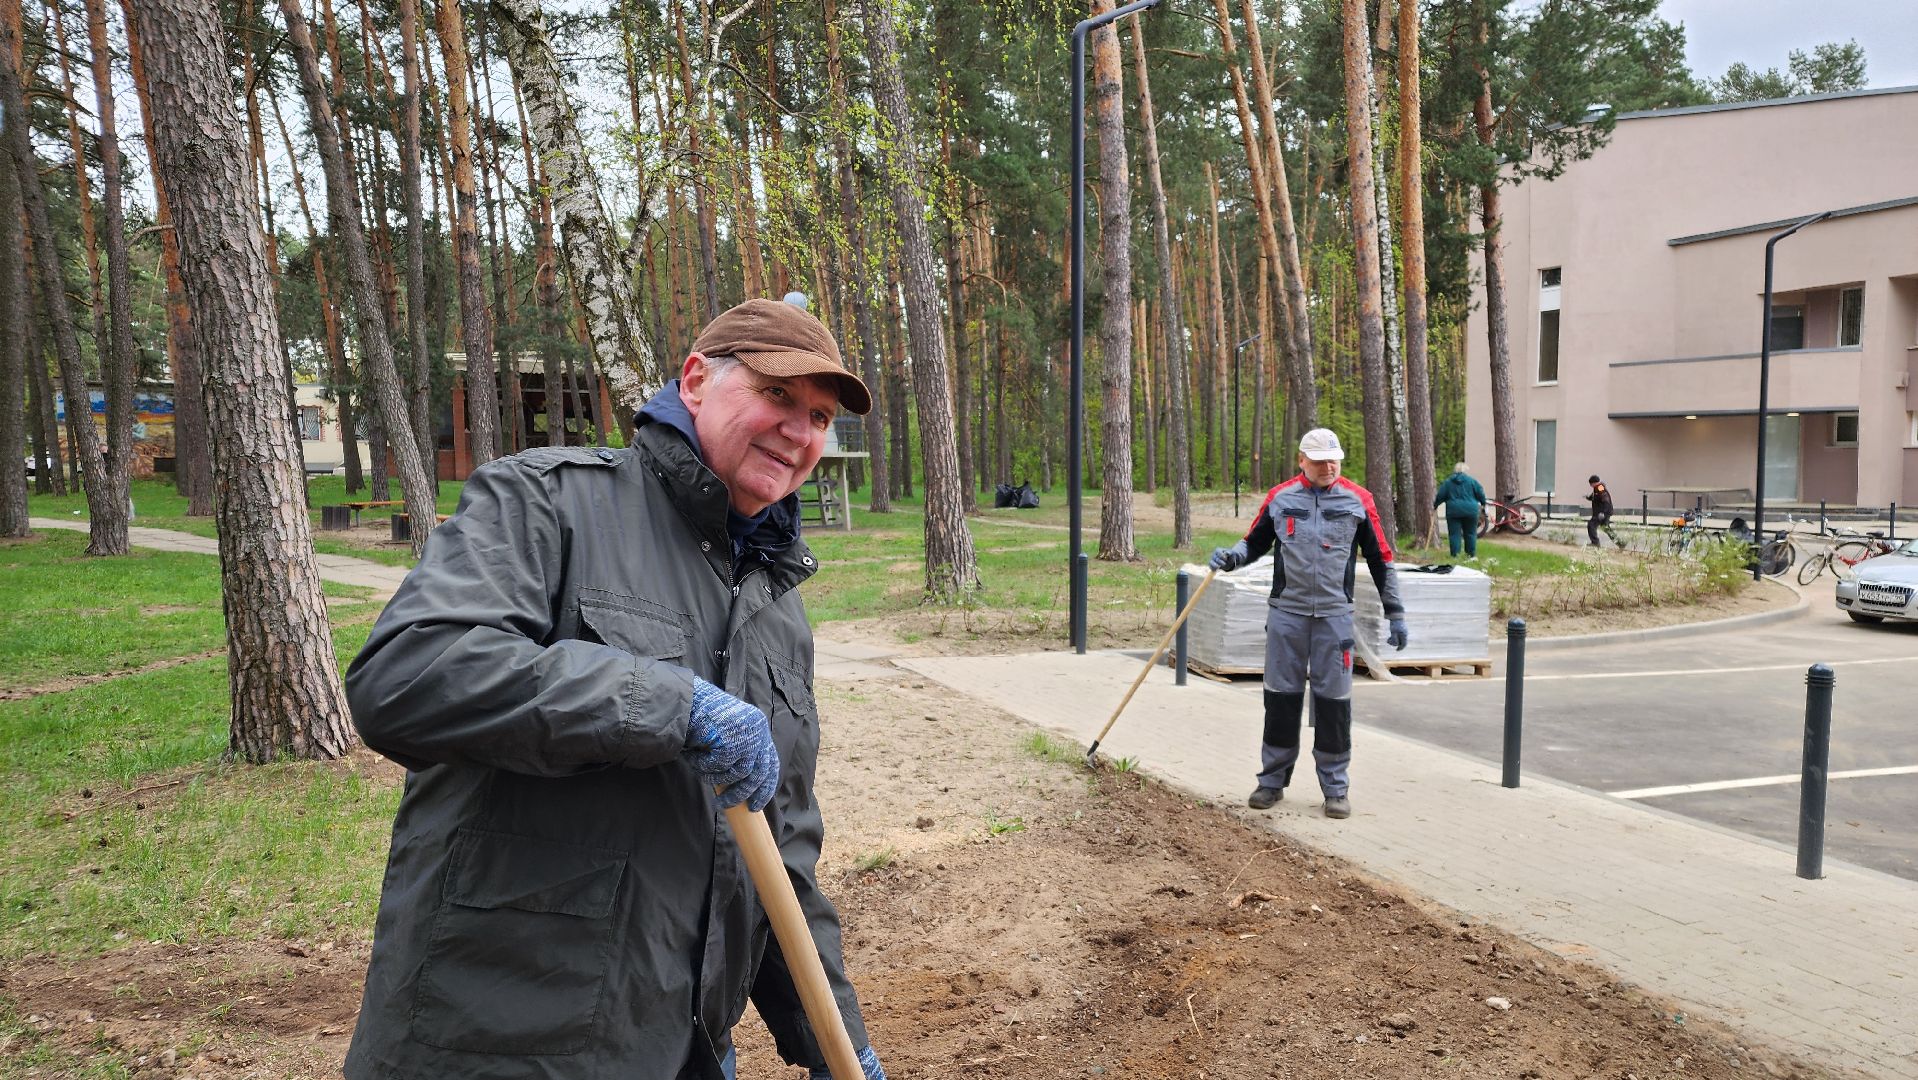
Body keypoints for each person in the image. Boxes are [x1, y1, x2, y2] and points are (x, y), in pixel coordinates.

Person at [342, 298, 887, 1080]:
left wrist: (836, 1035)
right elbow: (409, 674)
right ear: (696, 380)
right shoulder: (545, 502)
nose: (800, 433)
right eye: (777, 396)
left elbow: (780, 850)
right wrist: (670, 704)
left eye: (821, 415)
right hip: (504, 1040)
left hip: (688, 1047)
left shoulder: (776, 604)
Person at [1209, 428, 1407, 820]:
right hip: (1287, 616)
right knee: (1281, 700)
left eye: (1333, 459)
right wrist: (1231, 557)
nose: (1328, 466)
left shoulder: (1358, 500)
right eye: (1319, 460)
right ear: (1302, 461)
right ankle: (1271, 782)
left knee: (1333, 704)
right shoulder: (1281, 498)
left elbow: (1382, 558)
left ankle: (1335, 788)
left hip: (1335, 619)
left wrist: (1395, 613)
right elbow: (1255, 542)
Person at [1433, 462, 1487, 558]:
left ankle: (1455, 555)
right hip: (1471, 511)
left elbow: (1440, 495)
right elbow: (1480, 493)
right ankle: (1471, 555)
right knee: (1470, 533)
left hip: (1453, 512)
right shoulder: (1472, 481)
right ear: (1466, 471)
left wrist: (1435, 505)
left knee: (1454, 534)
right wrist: (1483, 503)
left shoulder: (1448, 482)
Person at [1585, 473, 1623, 548]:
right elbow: (1596, 498)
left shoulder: (1600, 487)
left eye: (1591, 484)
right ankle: (1621, 543)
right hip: (1602, 512)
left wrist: (1603, 512)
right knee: (1606, 528)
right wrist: (1588, 497)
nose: (1590, 486)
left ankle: (1595, 543)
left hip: (1602, 512)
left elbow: (1606, 500)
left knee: (1591, 525)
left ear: (1594, 483)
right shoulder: (1597, 488)